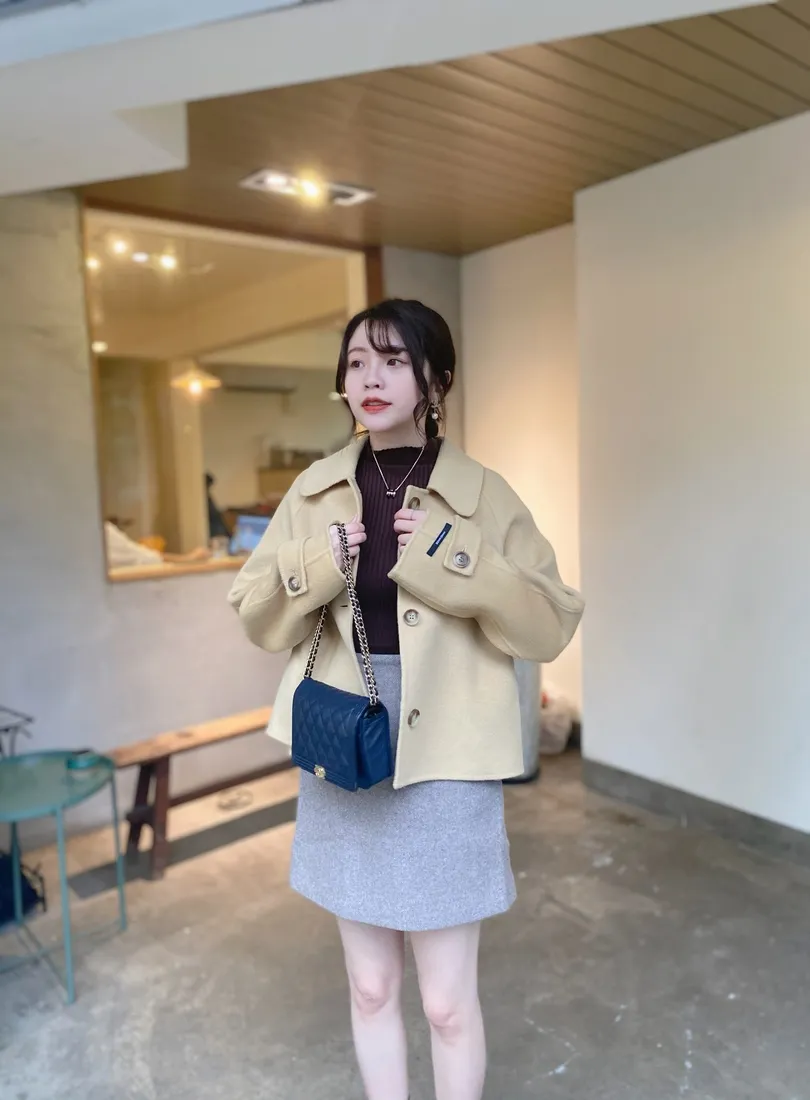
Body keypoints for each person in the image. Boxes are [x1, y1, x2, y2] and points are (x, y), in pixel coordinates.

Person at [227, 299, 584, 1100]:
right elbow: (254, 614)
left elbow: (550, 624)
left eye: (393, 360)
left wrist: (459, 557)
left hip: (450, 751)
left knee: (448, 1004)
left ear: (437, 380)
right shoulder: (315, 490)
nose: (371, 377)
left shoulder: (483, 495)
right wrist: (317, 565)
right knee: (370, 988)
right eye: (357, 361)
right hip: (346, 742)